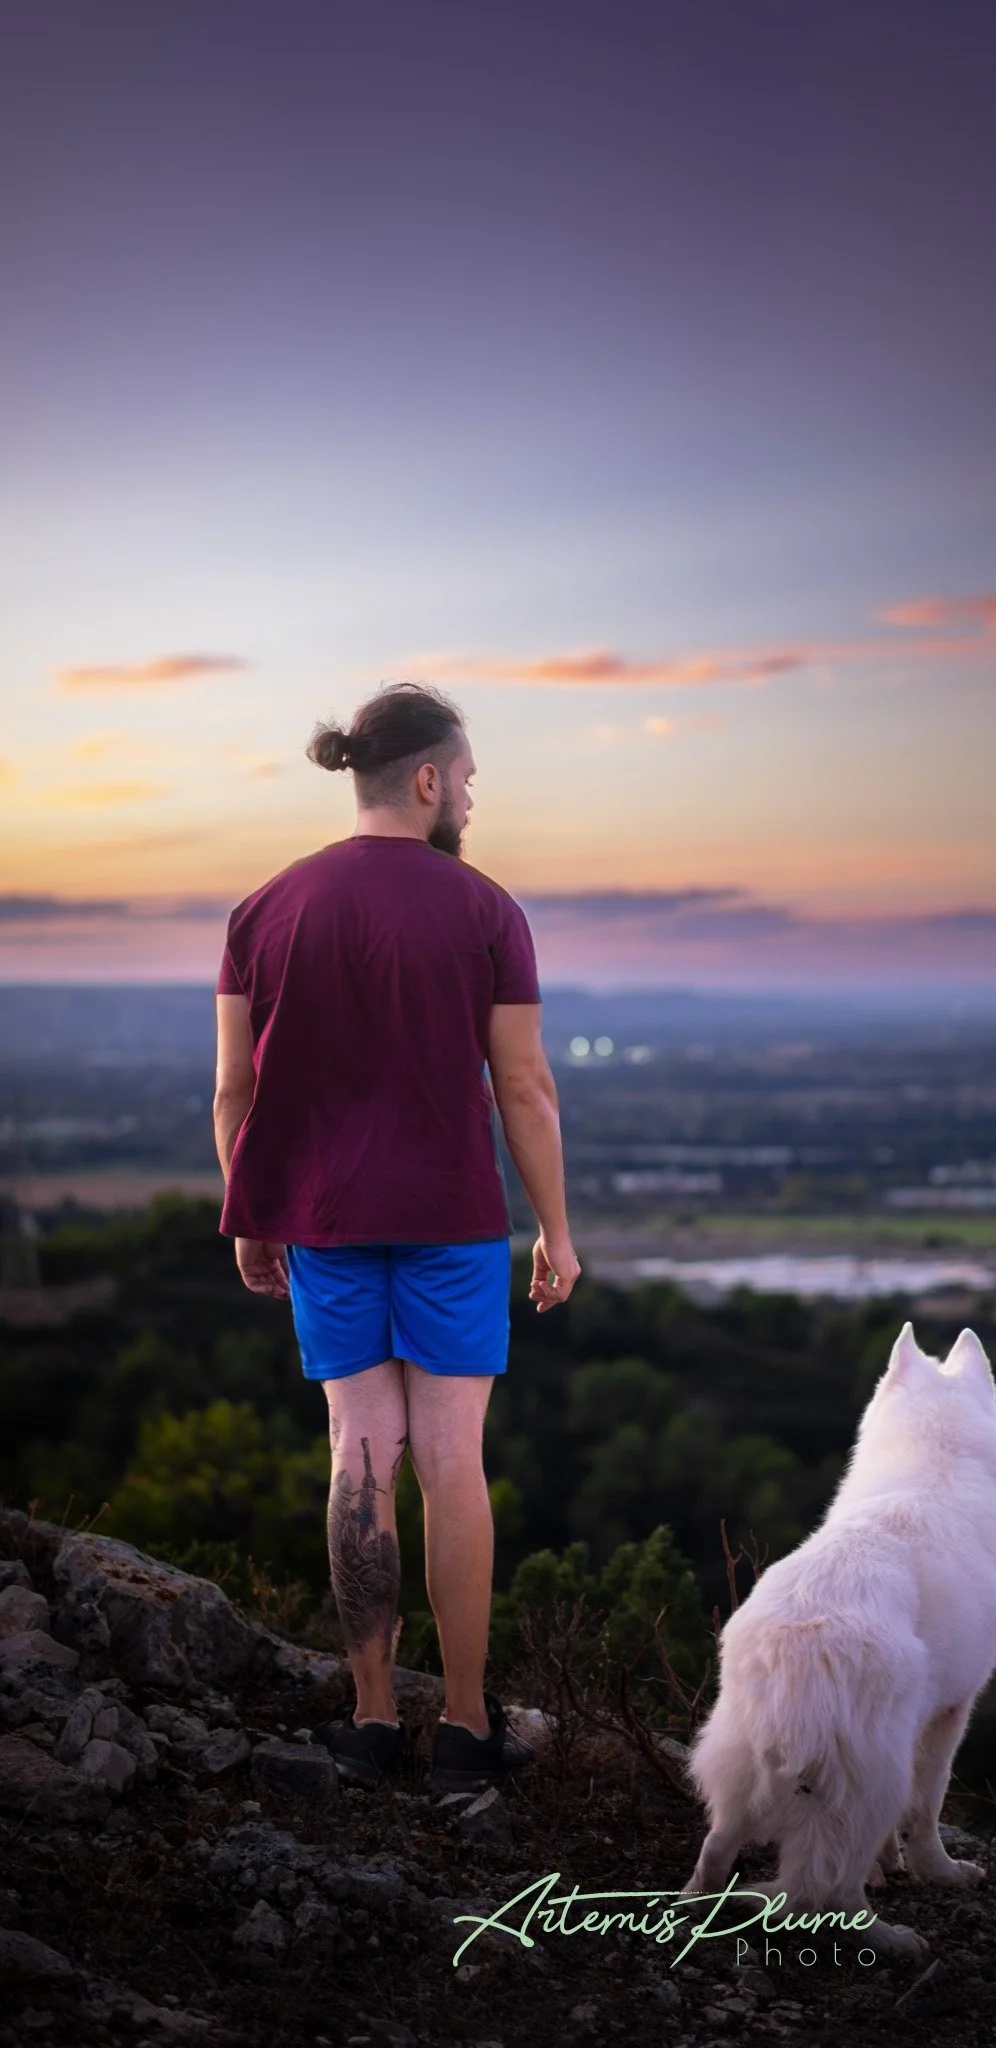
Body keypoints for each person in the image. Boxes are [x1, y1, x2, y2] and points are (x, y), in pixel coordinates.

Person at [212, 680, 580, 1791]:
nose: (469, 797)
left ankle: (372, 1717)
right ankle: (465, 1727)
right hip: (450, 1220)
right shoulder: (484, 910)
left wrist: (251, 1206)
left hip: (321, 1221)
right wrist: (556, 1229)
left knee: (358, 1454)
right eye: (465, 779)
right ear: (426, 779)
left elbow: (235, 1090)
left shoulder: (263, 909)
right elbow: (522, 1086)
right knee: (452, 1463)